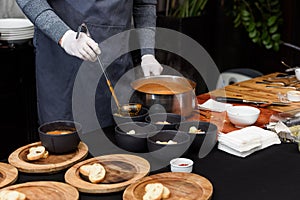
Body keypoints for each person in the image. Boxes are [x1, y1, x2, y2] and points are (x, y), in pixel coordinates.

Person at [16, 0, 163, 128]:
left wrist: (148, 53)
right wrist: (64, 36)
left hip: (116, 64)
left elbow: (144, 4)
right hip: (62, 64)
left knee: (114, 143)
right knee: (64, 147)